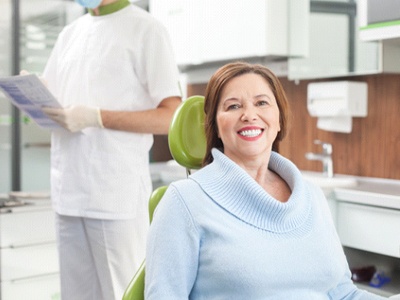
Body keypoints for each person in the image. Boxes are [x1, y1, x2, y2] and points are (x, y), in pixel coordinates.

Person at [145, 62, 387, 299]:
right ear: (216, 127)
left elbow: (343, 293)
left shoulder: (312, 196)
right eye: (233, 106)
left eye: (262, 103)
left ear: (279, 119)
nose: (249, 115)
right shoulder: (184, 202)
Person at [40, 0, 182, 299]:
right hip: (68, 191)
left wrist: (97, 117)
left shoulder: (147, 30)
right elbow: (54, 98)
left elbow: (170, 116)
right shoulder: (69, 34)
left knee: (123, 293)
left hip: (114, 196)